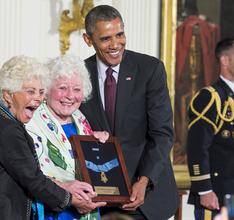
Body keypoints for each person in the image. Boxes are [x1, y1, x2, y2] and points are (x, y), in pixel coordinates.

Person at [0, 55, 104, 220]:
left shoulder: (0, 118)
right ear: (8, 94)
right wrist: (72, 200)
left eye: (41, 91)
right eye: (30, 91)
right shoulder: (7, 129)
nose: (38, 98)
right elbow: (34, 179)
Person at [79, 5, 180, 220]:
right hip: (98, 199)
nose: (116, 45)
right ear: (88, 40)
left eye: (120, 34)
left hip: (146, 197)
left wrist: (145, 180)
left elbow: (162, 133)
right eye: (106, 39)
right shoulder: (78, 75)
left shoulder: (149, 69)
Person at [25, 54, 108, 220]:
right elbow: (28, 174)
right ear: (46, 90)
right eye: (62, 88)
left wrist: (96, 143)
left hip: (87, 210)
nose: (70, 96)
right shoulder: (30, 120)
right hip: (52, 210)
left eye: (77, 89)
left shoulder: (81, 118)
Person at [186, 37, 234, 220]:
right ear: (224, 60)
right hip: (216, 195)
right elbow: (197, 148)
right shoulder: (210, 98)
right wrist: (204, 189)